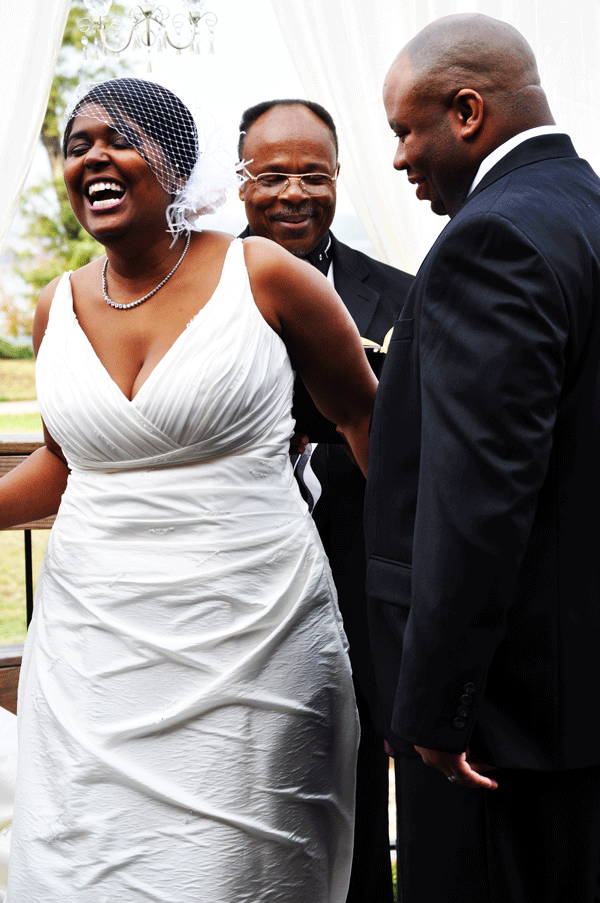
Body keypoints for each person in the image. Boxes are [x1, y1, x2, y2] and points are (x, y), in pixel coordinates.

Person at [3, 77, 378, 903]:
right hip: (92, 653)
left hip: (252, 638)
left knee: (232, 872)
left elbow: (367, 423)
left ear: (177, 165)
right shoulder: (52, 307)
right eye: (76, 144)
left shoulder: (265, 275)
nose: (93, 156)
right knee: (85, 868)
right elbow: (65, 464)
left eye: (118, 138)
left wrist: (424, 583)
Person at [364, 13, 600, 903]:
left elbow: (479, 502)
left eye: (403, 129)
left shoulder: (491, 239)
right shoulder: (583, 209)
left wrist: (437, 708)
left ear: (467, 111)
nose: (397, 159)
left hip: (500, 724)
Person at [238, 98, 413, 903]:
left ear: (341, 177)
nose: (294, 193)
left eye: (315, 173)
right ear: (240, 183)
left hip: (368, 598)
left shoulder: (405, 296)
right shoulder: (197, 294)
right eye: (272, 175)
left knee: (369, 815)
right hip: (237, 605)